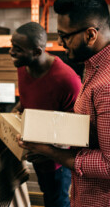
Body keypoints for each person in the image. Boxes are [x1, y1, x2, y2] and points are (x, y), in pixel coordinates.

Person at [18, 0, 110, 207]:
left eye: (65, 36)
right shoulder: (104, 60)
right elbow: (99, 125)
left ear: (90, 35)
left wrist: (49, 151)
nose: (60, 42)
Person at [10, 22, 82, 207]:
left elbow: (79, 129)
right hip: (37, 155)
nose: (11, 52)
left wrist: (48, 153)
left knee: (57, 201)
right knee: (48, 196)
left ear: (36, 52)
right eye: (12, 46)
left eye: (17, 49)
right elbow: (30, 97)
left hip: (57, 162)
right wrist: (17, 110)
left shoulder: (67, 80)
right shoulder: (23, 65)